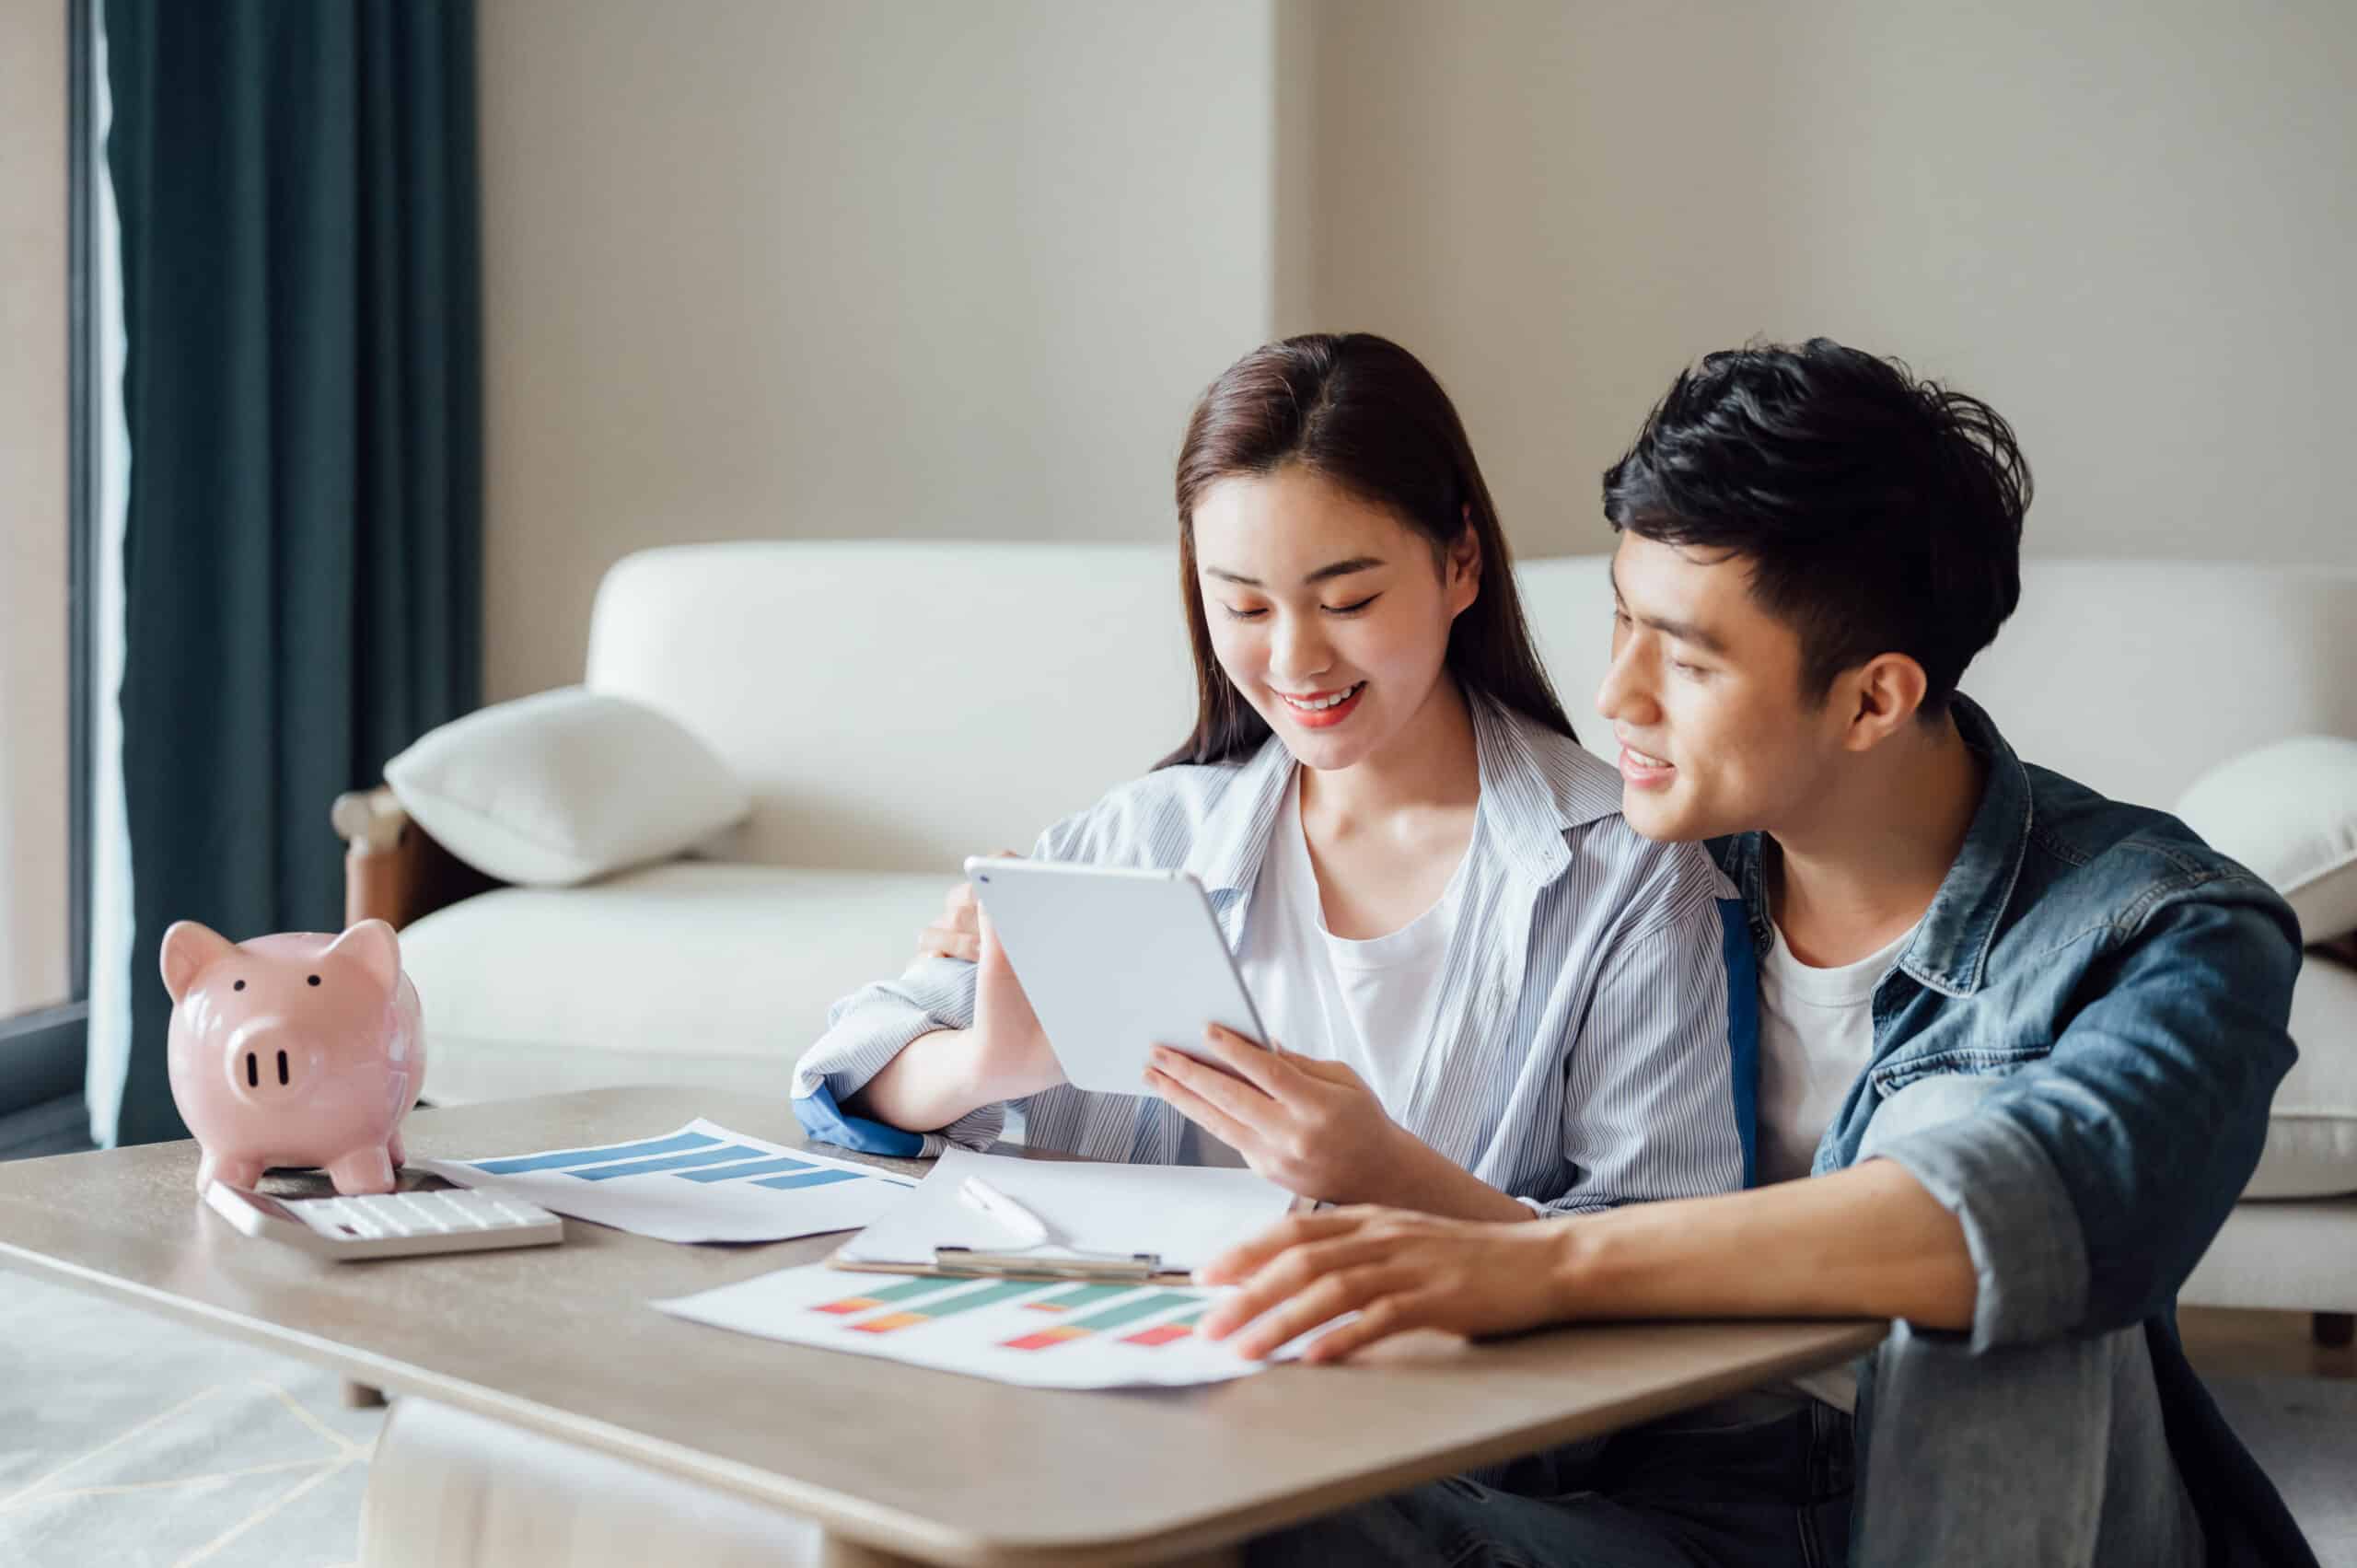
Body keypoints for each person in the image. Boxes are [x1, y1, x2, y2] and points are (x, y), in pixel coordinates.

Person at [1197, 338, 2316, 1568]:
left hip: (2012, 1488)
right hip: (1669, 1489)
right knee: (1252, 1513)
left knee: (1975, 1198)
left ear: (1872, 699)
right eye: (1621, 620)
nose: (1619, 696)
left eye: (1683, 657)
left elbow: (2053, 1208)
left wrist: (1543, 1264)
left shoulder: (2172, 925)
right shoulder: (1642, 875)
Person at [791, 331, 1752, 1227]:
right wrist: (984, 1062)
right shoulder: (1140, 839)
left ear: (1460, 563)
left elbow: (1664, 1240)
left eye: (1347, 599)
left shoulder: (1628, 871)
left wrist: (1392, 1176)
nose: (1296, 659)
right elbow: (847, 1065)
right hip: (1137, 1376)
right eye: (1244, 605)